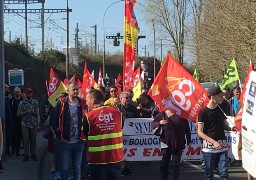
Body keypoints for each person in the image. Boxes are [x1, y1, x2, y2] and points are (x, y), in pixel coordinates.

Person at [197, 86, 237, 180]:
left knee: (224, 173)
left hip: (222, 146)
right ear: (212, 97)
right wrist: (213, 142)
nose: (222, 97)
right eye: (220, 96)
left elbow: (223, 125)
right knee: (209, 174)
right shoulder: (203, 112)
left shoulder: (221, 109)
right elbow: (200, 132)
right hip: (209, 149)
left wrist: (230, 128)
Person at [50, 81, 88, 180]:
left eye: (77, 89)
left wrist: (86, 136)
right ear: (68, 91)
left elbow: (89, 119)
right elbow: (53, 119)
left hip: (79, 141)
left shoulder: (83, 103)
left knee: (77, 168)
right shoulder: (61, 102)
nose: (76, 91)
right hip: (65, 141)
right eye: (73, 89)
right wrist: (59, 136)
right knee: (65, 168)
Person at [83, 89, 123, 180]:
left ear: (92, 100)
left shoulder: (88, 116)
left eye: (87, 100)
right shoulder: (117, 112)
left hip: (97, 160)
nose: (86, 103)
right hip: (116, 158)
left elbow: (85, 135)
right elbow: (121, 127)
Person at [151, 107, 191, 180]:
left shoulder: (181, 114)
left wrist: (189, 140)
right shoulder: (162, 114)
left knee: (176, 164)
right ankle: (164, 178)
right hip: (165, 142)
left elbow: (187, 129)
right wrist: (159, 122)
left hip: (178, 142)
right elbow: (152, 124)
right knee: (165, 163)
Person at [116, 91, 139, 176]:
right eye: (126, 98)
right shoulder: (116, 108)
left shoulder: (133, 108)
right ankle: (121, 168)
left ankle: (128, 168)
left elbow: (138, 120)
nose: (128, 99)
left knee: (129, 150)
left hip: (131, 133)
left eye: (129, 97)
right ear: (121, 99)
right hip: (119, 133)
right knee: (121, 151)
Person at [17, 88, 39, 161]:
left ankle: (33, 154)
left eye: (30, 93)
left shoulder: (35, 102)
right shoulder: (22, 102)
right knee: (26, 139)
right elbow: (18, 114)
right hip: (25, 124)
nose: (29, 94)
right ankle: (26, 154)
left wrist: (33, 112)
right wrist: (27, 112)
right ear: (26, 94)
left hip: (33, 124)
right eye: (28, 93)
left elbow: (37, 113)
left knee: (33, 140)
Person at [10, 86, 23, 156]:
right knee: (12, 136)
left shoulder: (22, 101)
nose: (17, 93)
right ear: (14, 93)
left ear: (20, 93)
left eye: (18, 92)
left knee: (19, 136)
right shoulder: (11, 100)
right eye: (16, 92)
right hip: (13, 121)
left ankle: (17, 151)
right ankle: (13, 149)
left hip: (20, 121)